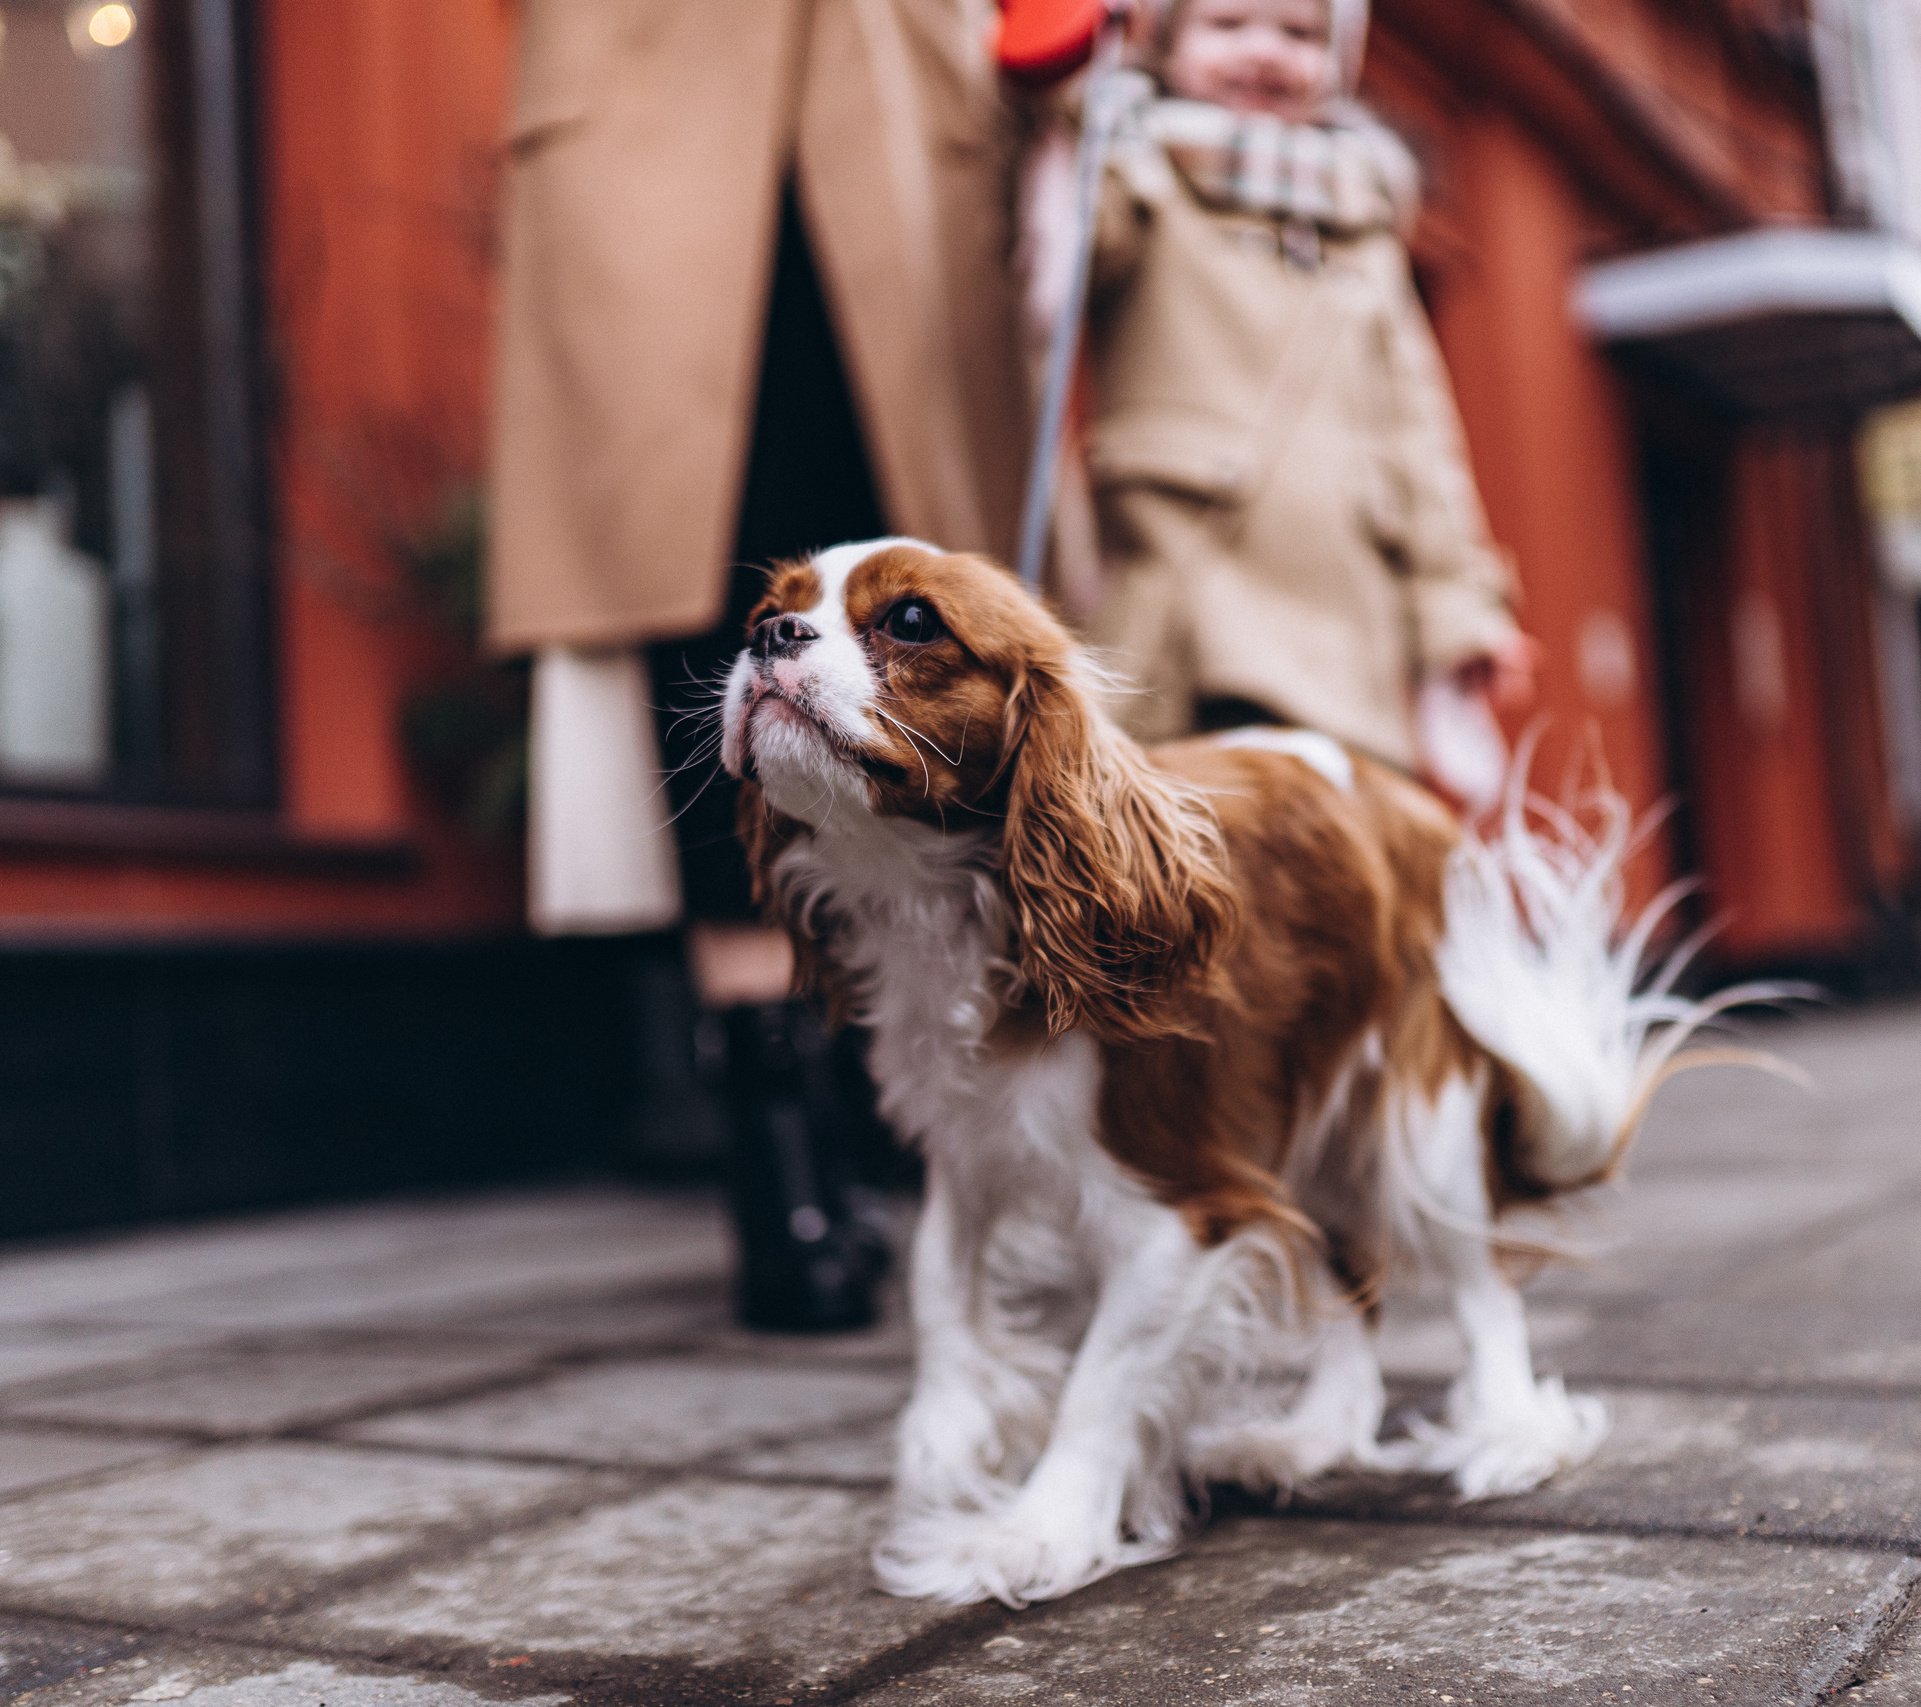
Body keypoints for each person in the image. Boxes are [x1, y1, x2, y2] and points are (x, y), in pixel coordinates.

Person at [486, 0, 1030, 1332]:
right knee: (702, 577)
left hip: (903, 110)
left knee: (914, 600)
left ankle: (928, 1116)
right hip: (645, 93)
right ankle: (777, 1131)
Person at [1070, 0, 1534, 779]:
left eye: (1299, 34)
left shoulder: (1361, 216)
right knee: (1187, 805)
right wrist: (1074, 105)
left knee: (1335, 813)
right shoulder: (1135, 167)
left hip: (1348, 601)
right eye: (1228, 25)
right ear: (1166, 41)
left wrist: (1459, 611)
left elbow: (1417, 426)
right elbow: (1074, 256)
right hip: (1187, 575)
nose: (1265, 52)